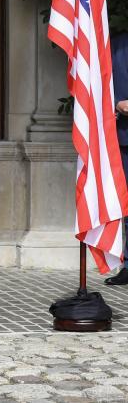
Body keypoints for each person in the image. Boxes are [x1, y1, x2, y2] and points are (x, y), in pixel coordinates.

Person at [105, 32, 128, 285]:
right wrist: (115, 103)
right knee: (126, 206)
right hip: (123, 138)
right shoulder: (117, 45)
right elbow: (99, 87)